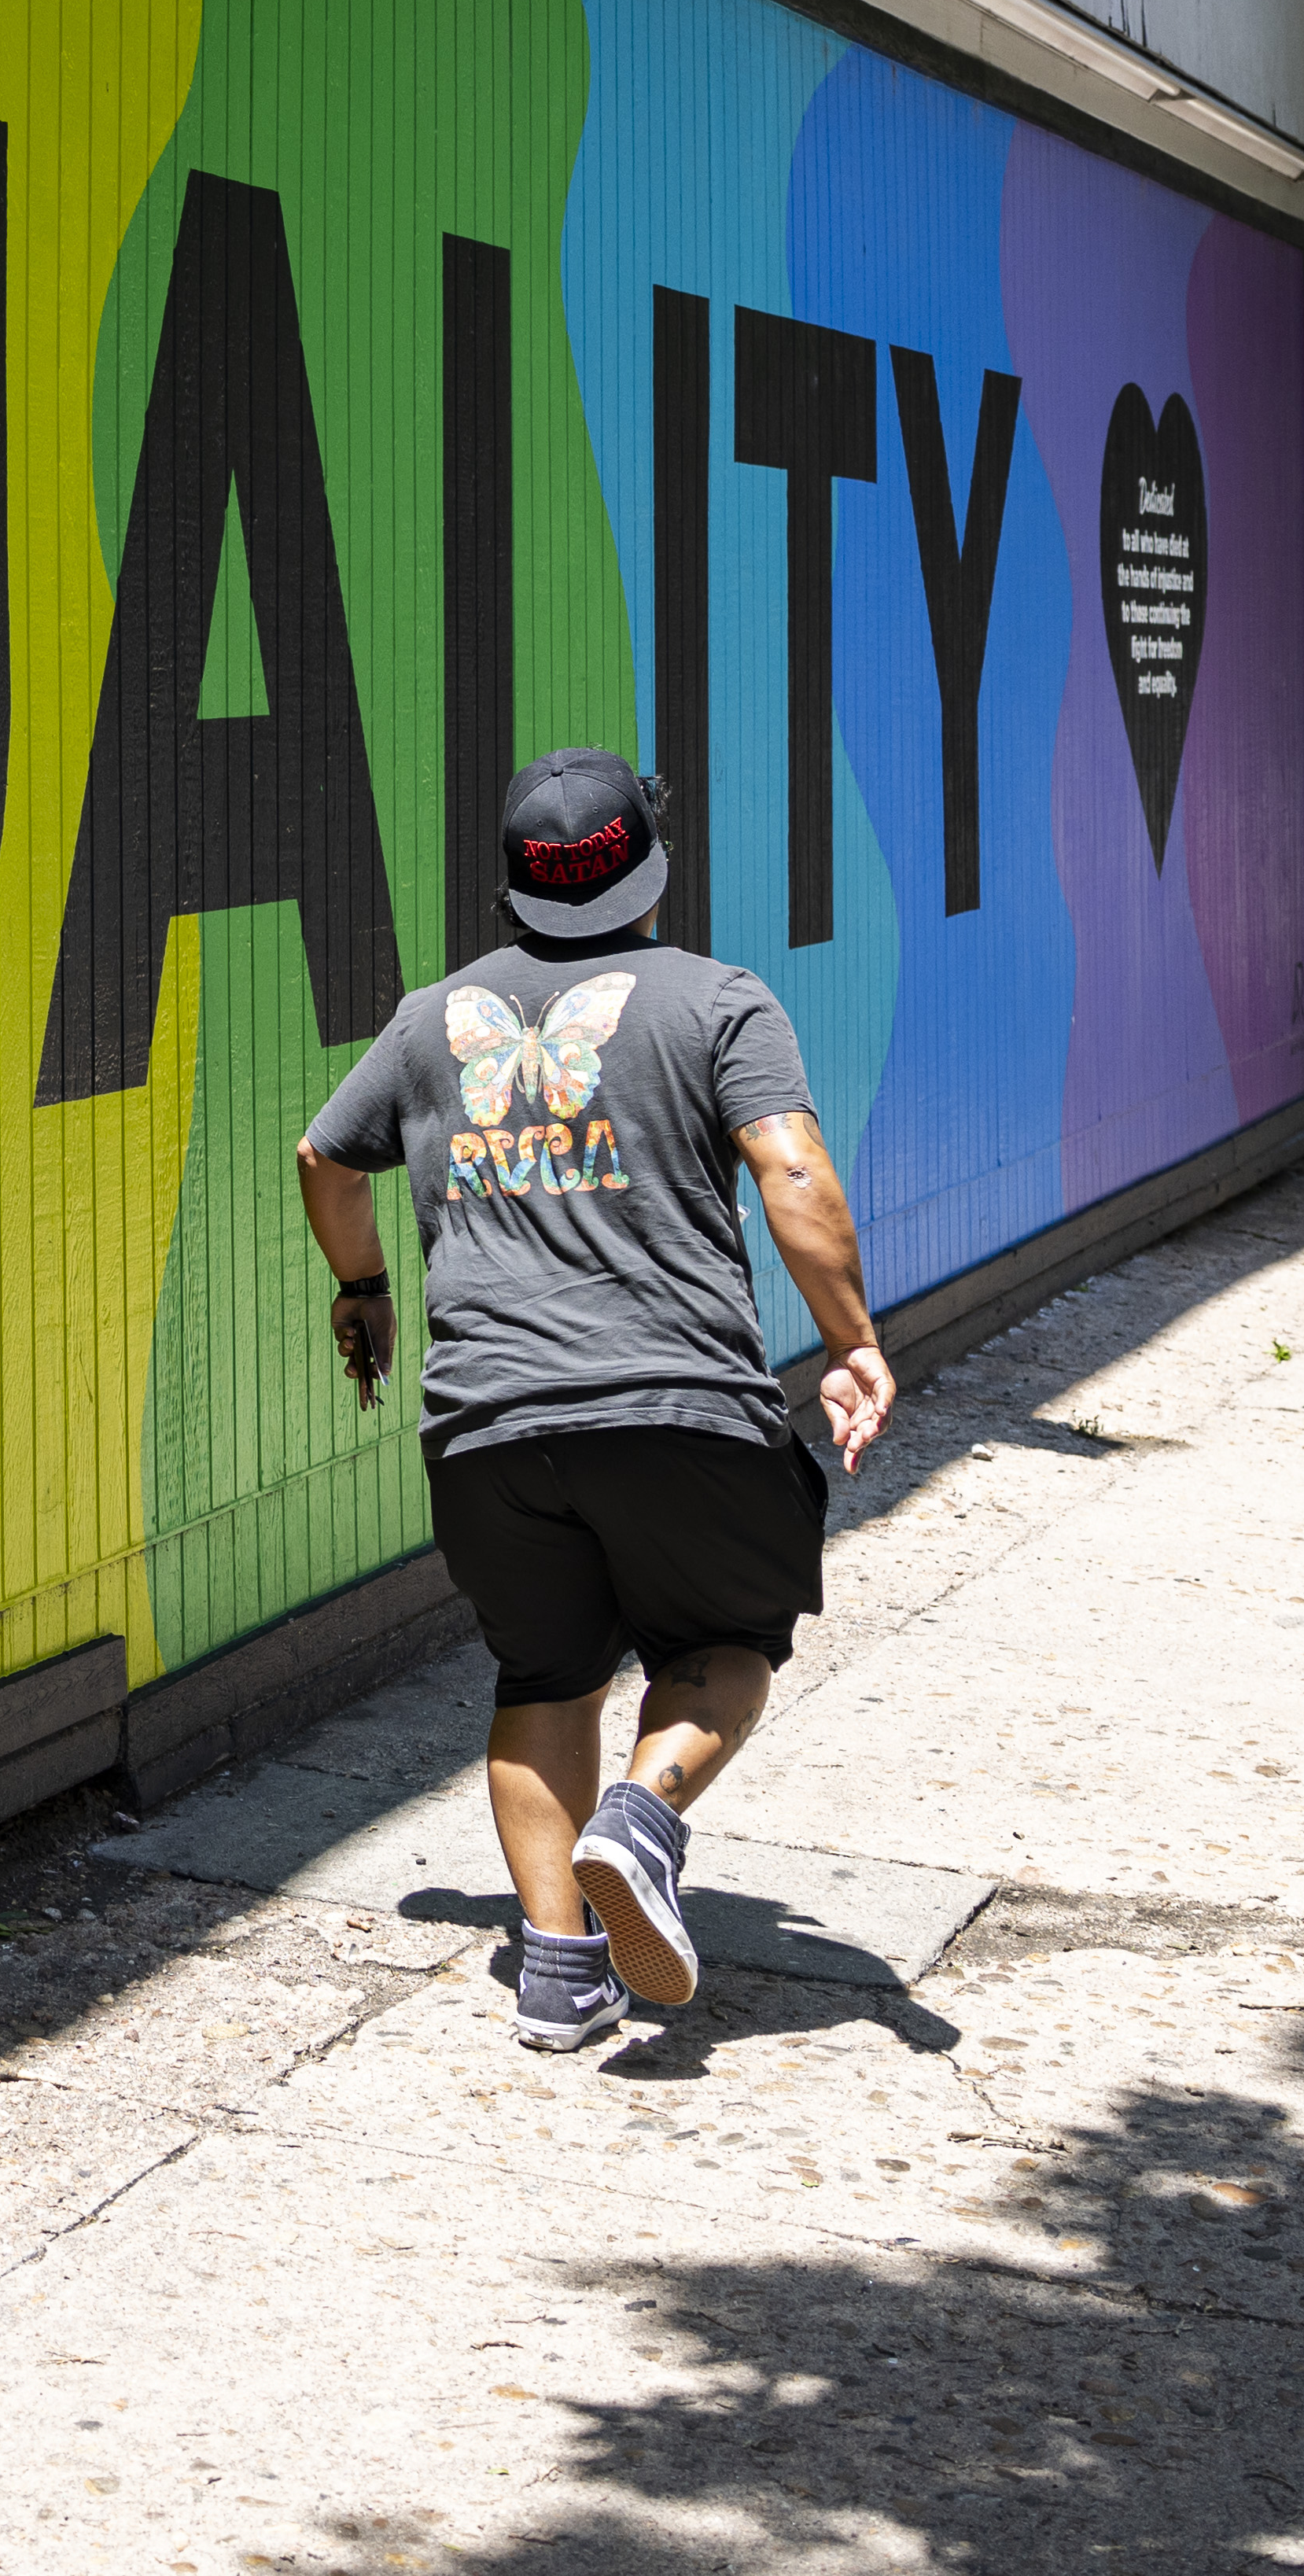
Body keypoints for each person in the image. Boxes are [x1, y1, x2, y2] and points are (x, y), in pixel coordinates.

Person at [294, 747, 897, 2055]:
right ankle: (642, 1817)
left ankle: (558, 1975)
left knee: (543, 1674)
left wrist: (363, 1290)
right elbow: (789, 1173)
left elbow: (323, 1156)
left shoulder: (424, 1020)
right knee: (728, 1643)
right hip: (676, 1405)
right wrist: (850, 1339)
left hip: (486, 1428)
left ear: (511, 882)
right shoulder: (715, 1001)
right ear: (650, 867)